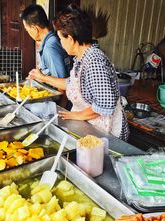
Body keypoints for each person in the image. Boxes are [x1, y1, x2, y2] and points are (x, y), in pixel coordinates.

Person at [27, 4, 129, 141]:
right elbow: (71, 84)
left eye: (61, 39)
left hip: (106, 134)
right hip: (90, 128)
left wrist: (77, 115)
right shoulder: (81, 58)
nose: (61, 43)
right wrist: (42, 77)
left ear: (70, 38)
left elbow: (105, 105)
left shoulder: (94, 61)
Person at [20, 4, 70, 78]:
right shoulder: (53, 39)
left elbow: (60, 84)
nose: (28, 33)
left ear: (34, 28)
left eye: (27, 30)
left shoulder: (50, 47)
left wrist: (42, 78)